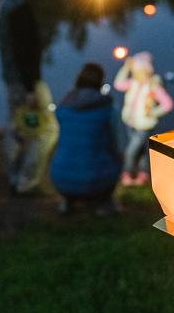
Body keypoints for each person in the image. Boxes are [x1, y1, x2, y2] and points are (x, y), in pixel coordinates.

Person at [0, 0, 47, 195]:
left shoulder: (5, 0)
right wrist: (30, 88)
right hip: (22, 82)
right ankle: (26, 181)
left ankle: (16, 178)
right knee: (42, 131)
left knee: (17, 126)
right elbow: (23, 48)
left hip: (14, 78)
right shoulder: (16, 5)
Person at [50, 62, 122, 216]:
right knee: (118, 156)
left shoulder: (63, 107)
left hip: (60, 180)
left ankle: (66, 201)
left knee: (69, 147)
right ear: (100, 81)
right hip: (95, 182)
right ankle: (104, 204)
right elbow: (114, 144)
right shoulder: (107, 108)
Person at [113, 51, 173, 186]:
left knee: (130, 150)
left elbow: (168, 104)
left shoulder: (154, 86)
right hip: (131, 122)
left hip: (145, 126)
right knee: (139, 151)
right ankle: (143, 173)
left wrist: (153, 112)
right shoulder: (132, 83)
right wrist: (125, 68)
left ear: (146, 71)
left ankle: (126, 173)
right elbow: (118, 84)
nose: (135, 74)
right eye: (134, 71)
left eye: (137, 71)